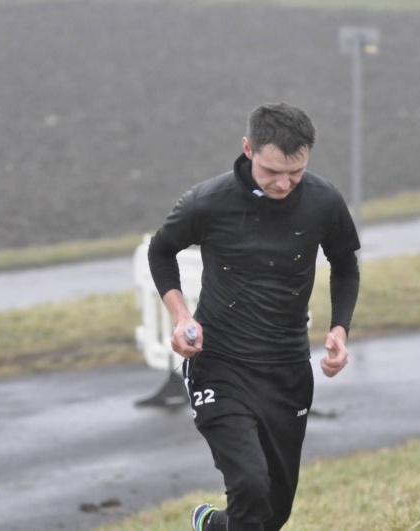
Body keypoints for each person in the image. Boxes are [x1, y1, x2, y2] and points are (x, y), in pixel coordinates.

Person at [147, 102, 361, 531]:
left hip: (287, 370)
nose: (284, 183)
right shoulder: (207, 202)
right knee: (249, 485)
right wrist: (181, 315)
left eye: (296, 172)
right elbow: (161, 251)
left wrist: (339, 329)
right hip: (219, 363)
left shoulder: (324, 201)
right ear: (248, 149)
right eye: (272, 171)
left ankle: (212, 525)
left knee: (271, 514)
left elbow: (345, 265)